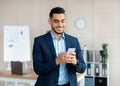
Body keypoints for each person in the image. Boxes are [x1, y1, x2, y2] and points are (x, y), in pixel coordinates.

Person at [32, 7, 86, 86]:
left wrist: (75, 62)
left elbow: (83, 68)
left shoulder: (74, 41)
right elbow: (38, 69)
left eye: (63, 21)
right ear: (50, 21)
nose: (60, 25)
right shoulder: (39, 41)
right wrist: (57, 61)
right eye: (56, 21)